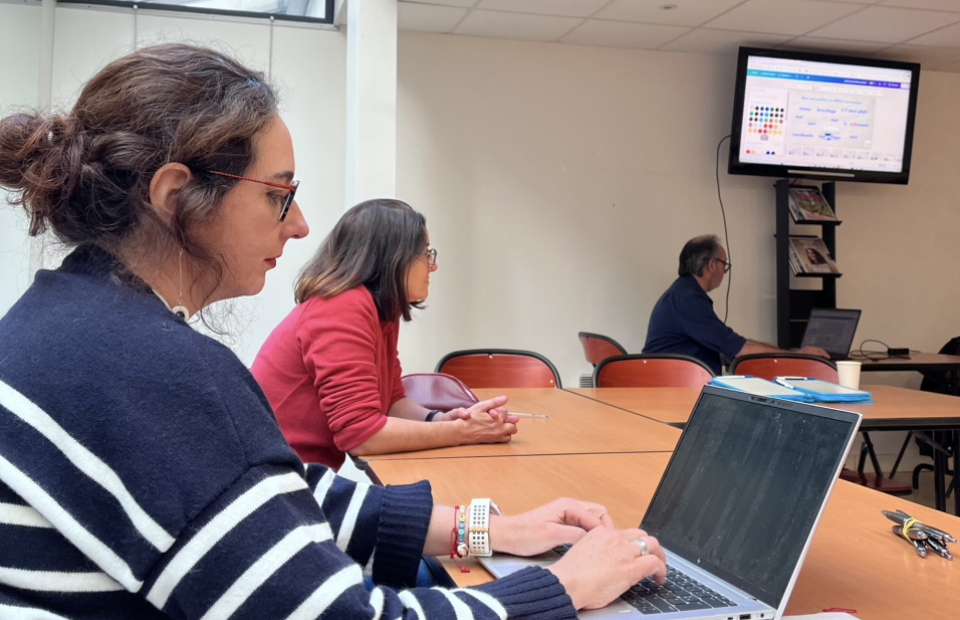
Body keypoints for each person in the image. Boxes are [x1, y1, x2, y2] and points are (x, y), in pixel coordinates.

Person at [0, 43, 665, 619]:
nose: (300, 225)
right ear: (177, 197)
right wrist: (562, 586)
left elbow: (279, 499)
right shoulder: (148, 368)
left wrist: (489, 528)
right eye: (277, 194)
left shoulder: (67, 325)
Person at [252, 199, 518, 470]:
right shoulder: (340, 307)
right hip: (272, 480)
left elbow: (391, 402)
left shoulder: (378, 310)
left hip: (298, 476)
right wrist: (464, 433)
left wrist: (444, 421)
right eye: (425, 253)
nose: (432, 266)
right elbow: (361, 435)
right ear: (393, 258)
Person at [643, 235, 828, 375]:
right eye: (724, 264)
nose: (725, 271)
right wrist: (801, 356)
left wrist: (769, 349)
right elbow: (739, 348)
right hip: (673, 387)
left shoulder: (684, 293)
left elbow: (730, 343)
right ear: (711, 265)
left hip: (678, 382)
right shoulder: (687, 300)